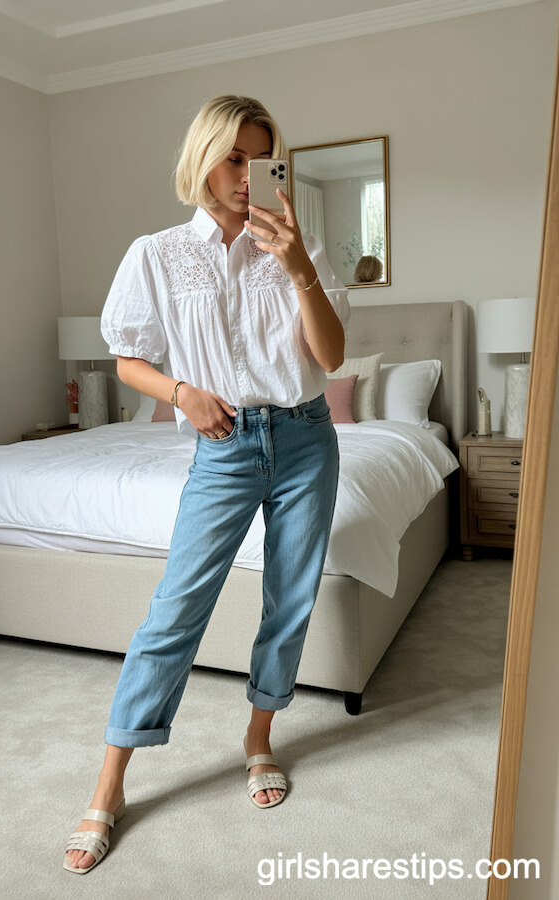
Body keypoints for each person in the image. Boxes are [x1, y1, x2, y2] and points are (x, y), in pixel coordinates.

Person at [63, 95, 350, 874]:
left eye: (260, 159)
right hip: (222, 448)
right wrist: (180, 392)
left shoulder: (300, 245)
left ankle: (258, 740)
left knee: (290, 600)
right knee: (176, 608)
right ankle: (111, 782)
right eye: (233, 158)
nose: (246, 175)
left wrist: (298, 270)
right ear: (205, 157)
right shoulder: (156, 254)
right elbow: (126, 358)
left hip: (305, 438)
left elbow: (329, 357)